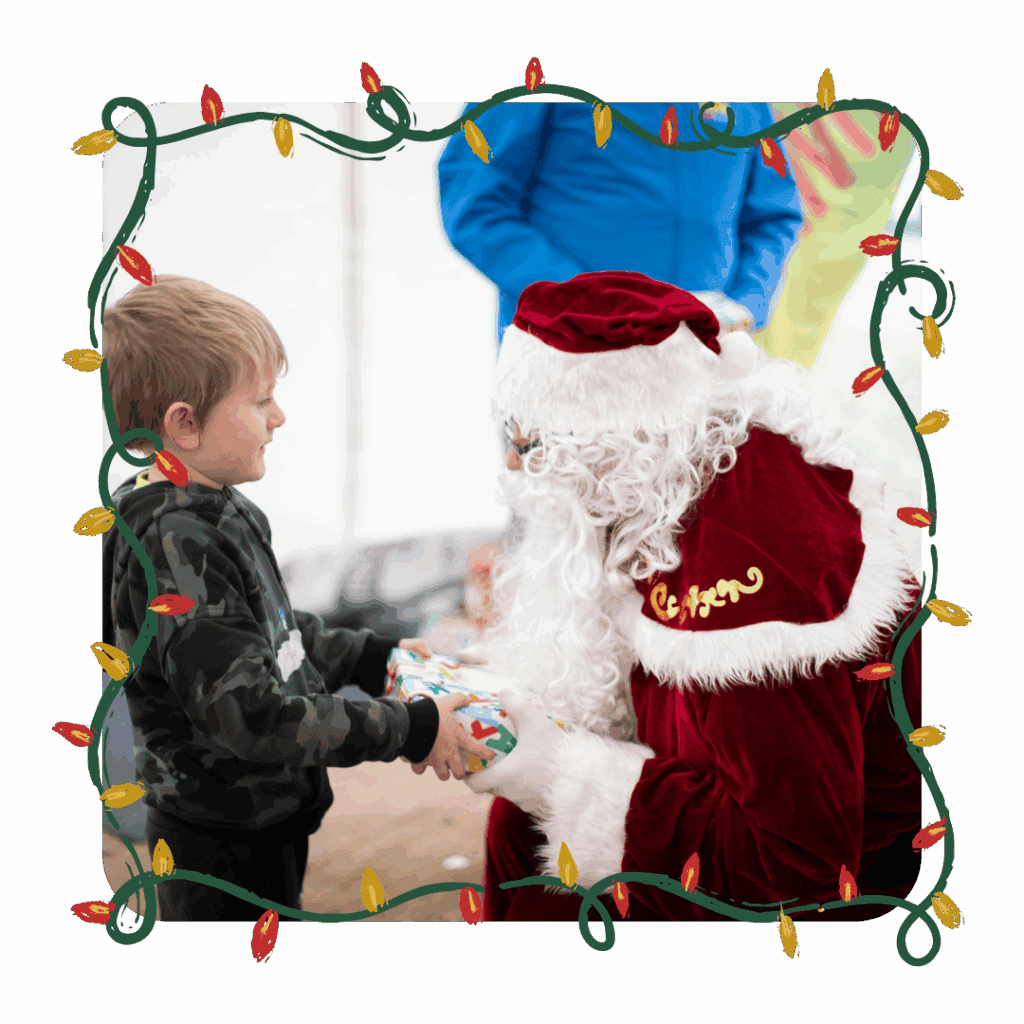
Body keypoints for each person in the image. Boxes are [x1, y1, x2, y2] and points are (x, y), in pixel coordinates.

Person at [459, 270, 923, 922]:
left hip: (838, 895)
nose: (514, 465)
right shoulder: (669, 491)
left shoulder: (748, 572)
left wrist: (561, 772)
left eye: (532, 441)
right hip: (733, 826)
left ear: (611, 438)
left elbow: (795, 867)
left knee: (536, 823)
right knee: (521, 822)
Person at [100, 276, 495, 922]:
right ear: (185, 423)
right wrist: (411, 729)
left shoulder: (220, 509)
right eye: (260, 402)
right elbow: (255, 716)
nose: (277, 417)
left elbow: (273, 633)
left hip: (266, 815)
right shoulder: (176, 547)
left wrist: (374, 655)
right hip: (220, 835)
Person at [437, 101, 803, 345]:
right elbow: (475, 204)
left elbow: (773, 214)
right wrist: (587, 303)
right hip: (568, 358)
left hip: (700, 366)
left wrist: (746, 302)